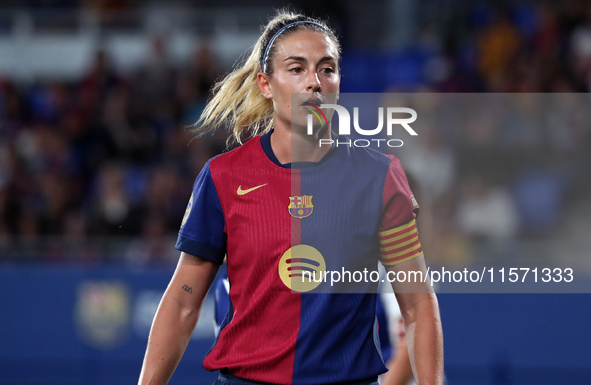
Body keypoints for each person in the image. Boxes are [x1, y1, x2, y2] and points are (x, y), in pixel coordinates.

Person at [138, 11, 443, 385]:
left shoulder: (379, 176)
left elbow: (417, 306)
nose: (315, 83)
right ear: (266, 84)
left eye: (327, 69)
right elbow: (183, 302)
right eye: (296, 69)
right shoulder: (223, 176)